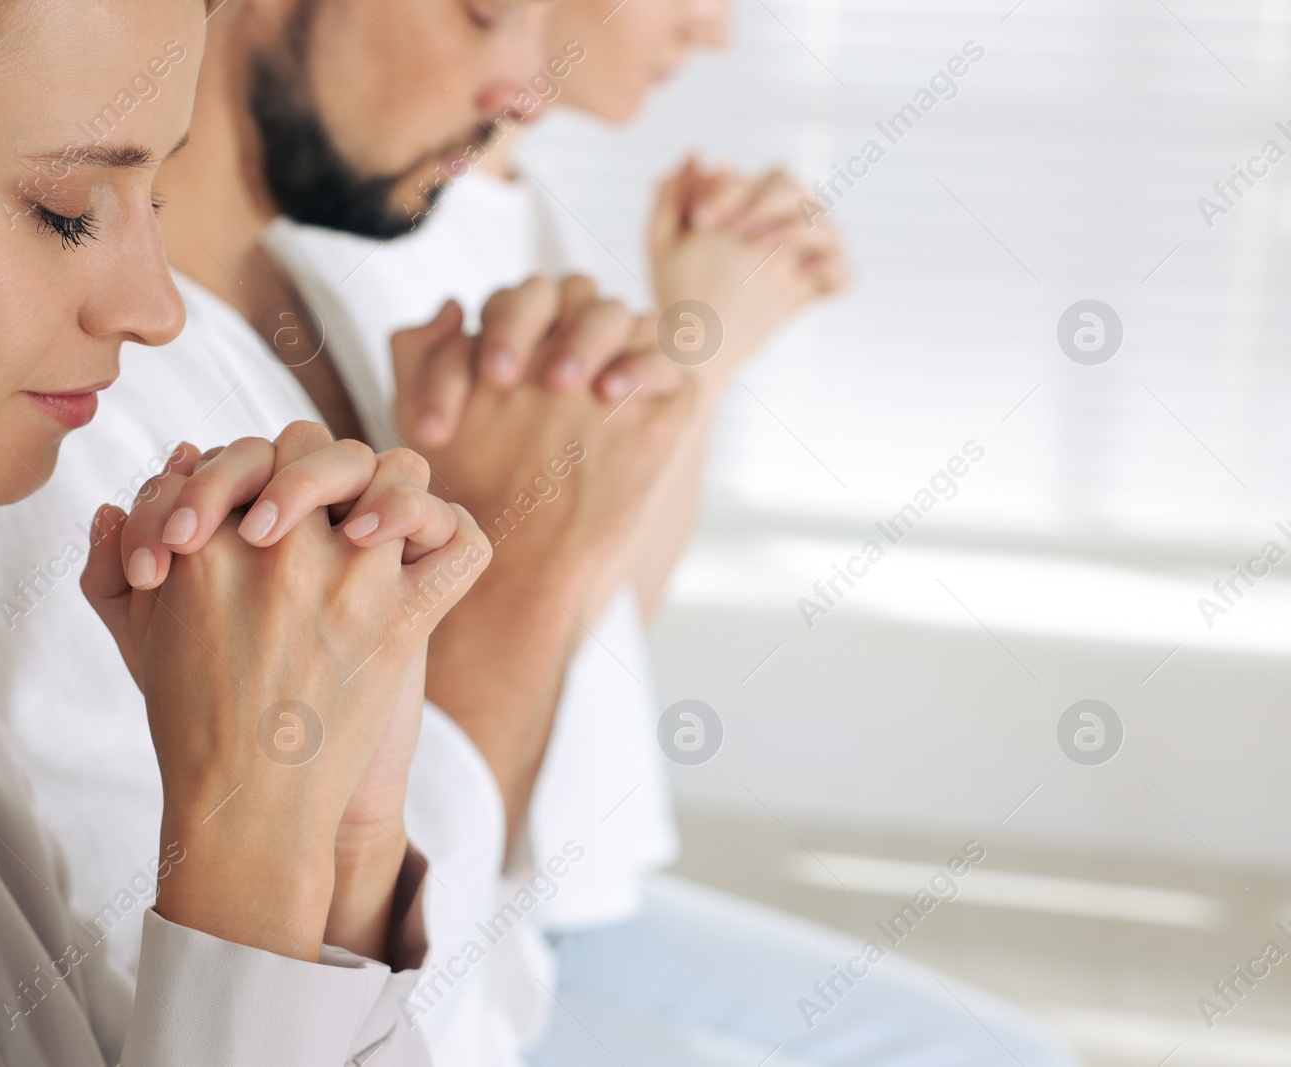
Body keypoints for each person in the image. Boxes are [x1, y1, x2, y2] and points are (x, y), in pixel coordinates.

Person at [263, 1, 1085, 1065]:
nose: (714, 31)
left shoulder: (522, 209)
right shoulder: (360, 222)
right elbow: (466, 633)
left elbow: (602, 609)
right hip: (451, 913)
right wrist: (693, 356)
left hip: (569, 883)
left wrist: (703, 357)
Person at [0, 1, 490, 1063]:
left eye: (153, 195)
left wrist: (335, 838)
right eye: (65, 207)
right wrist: (240, 852)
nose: (157, 309)